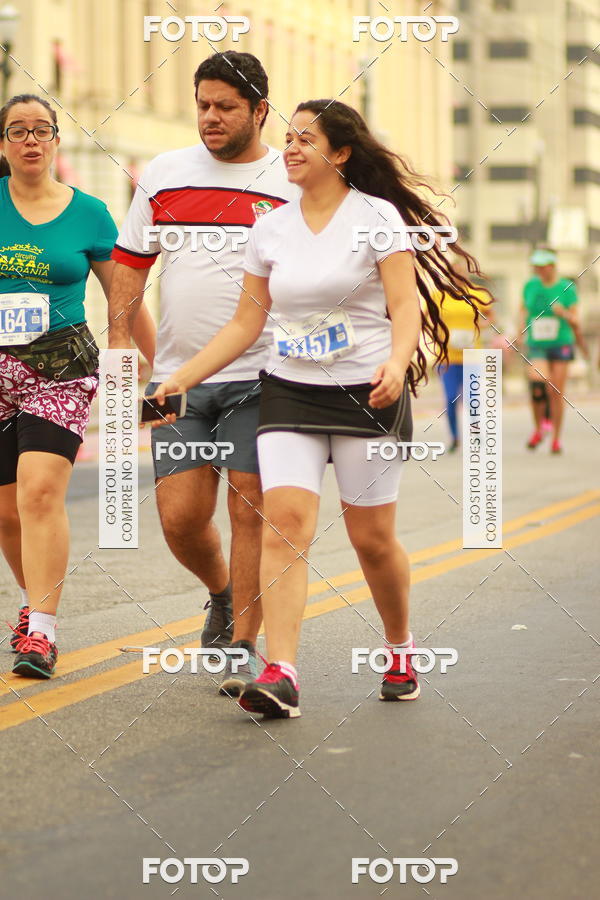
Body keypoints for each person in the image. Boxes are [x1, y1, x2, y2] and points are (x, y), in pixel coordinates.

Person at [151, 99, 484, 719]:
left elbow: (404, 307)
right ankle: (282, 673)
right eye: (289, 137)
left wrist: (396, 361)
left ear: (340, 152)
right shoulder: (271, 228)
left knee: (372, 539)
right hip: (290, 390)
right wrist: (178, 379)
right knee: (285, 523)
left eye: (306, 138)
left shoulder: (376, 217)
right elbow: (246, 323)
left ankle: (400, 646)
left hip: (366, 392)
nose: (292, 148)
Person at [107, 52, 297, 696]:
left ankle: (245, 647)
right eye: (203, 105)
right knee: (181, 518)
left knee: (251, 505)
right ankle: (220, 592)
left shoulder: (288, 180)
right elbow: (130, 266)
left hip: (263, 373)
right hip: (176, 379)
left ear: (260, 111)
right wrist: (120, 346)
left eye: (226, 107)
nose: (210, 118)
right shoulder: (163, 173)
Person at [0, 93, 155, 678]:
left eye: (42, 130)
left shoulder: (89, 213)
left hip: (59, 367)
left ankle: (41, 631)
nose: (31, 140)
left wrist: (158, 364)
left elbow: (125, 292)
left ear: (56, 142)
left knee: (38, 493)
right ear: (4, 145)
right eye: (18, 131)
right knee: (7, 513)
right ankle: (30, 604)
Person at [521, 248, 580, 454]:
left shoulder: (566, 287)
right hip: (537, 343)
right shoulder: (530, 285)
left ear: (552, 266)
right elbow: (523, 310)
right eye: (535, 266)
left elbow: (575, 318)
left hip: (561, 342)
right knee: (537, 385)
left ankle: (556, 438)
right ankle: (539, 428)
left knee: (556, 391)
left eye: (542, 266)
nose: (538, 270)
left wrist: (562, 313)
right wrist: (519, 333)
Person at [433, 262, 494, 451]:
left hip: (472, 356)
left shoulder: (477, 294)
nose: (458, 276)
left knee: (472, 398)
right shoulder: (439, 296)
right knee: (451, 397)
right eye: (454, 273)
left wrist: (479, 326)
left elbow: (491, 316)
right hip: (448, 357)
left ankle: (476, 435)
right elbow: (429, 319)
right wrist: (440, 333)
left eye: (461, 273)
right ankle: (454, 437)